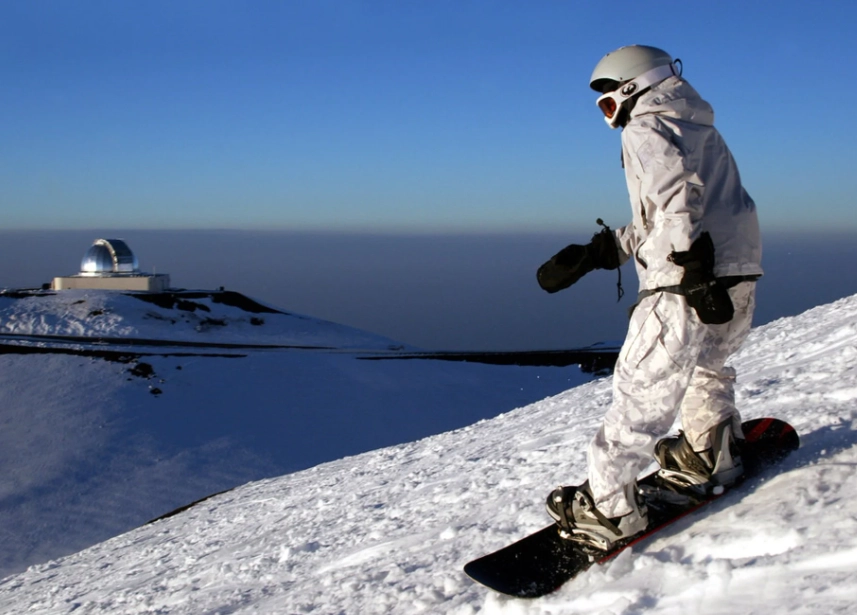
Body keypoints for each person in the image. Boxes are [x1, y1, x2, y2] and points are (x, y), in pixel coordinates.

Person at [537, 45, 763, 550]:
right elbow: (666, 216)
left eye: (606, 103)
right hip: (738, 272)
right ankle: (712, 453)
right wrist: (601, 251)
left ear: (631, 88)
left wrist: (692, 271)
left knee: (640, 393)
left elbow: (677, 203)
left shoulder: (647, 127)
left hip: (685, 282)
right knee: (708, 366)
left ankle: (609, 510)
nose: (607, 115)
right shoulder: (698, 127)